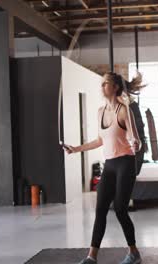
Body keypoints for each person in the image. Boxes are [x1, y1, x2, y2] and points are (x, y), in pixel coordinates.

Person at [63, 72, 145, 264]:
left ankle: (134, 253)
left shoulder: (125, 110)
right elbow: (101, 140)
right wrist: (76, 149)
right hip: (109, 165)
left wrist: (135, 144)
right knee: (100, 209)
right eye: (101, 84)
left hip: (125, 162)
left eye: (105, 83)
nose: (102, 87)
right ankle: (92, 257)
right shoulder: (100, 112)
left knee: (120, 209)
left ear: (115, 87)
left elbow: (136, 139)